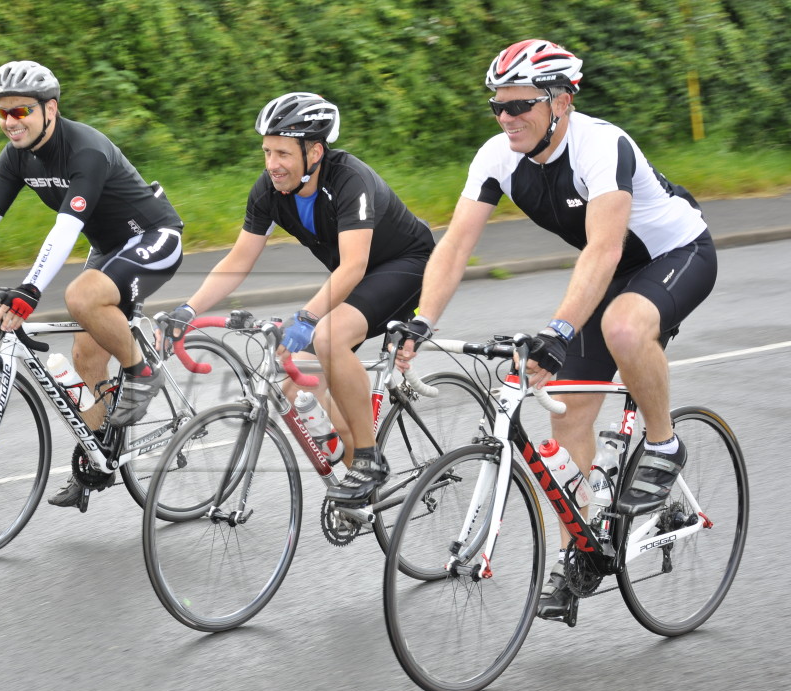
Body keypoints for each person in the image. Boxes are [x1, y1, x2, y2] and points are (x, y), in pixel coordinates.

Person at [396, 39, 717, 622]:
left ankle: (665, 444)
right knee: (565, 410)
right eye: (498, 106)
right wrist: (420, 322)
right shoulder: (498, 155)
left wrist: (560, 329)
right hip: (612, 272)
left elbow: (603, 247)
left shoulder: (601, 144)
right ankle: (583, 553)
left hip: (677, 254)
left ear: (560, 101)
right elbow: (456, 247)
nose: (506, 118)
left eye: (519, 105)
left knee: (623, 326)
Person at [0, 60, 185, 509]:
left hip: (152, 236)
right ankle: (99, 457)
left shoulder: (86, 150)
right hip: (108, 248)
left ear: (50, 109)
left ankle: (142, 371)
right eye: (1, 112)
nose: (8, 121)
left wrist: (29, 291)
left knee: (80, 297)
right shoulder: (16, 156)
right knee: (84, 353)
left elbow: (65, 229)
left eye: (20, 112)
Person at [164, 92, 436, 505]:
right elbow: (239, 259)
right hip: (357, 276)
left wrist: (307, 316)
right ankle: (362, 492)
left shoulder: (349, 180)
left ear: (315, 151)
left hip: (407, 265)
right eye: (267, 152)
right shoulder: (270, 190)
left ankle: (368, 459)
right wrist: (188, 309)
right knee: (296, 384)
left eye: (282, 153)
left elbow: (353, 266)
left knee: (327, 338)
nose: (272, 164)